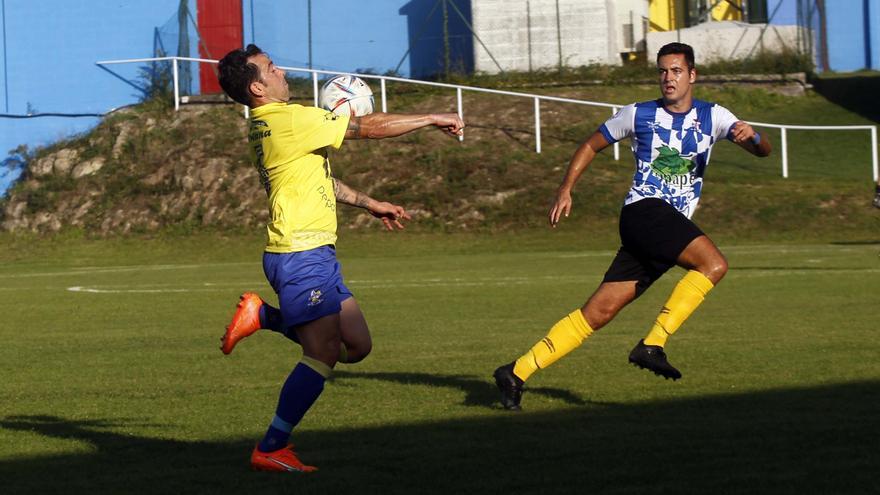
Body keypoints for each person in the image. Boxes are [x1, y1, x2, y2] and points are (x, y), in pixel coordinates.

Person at [216, 44, 464, 471]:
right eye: (272, 69)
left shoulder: (272, 124)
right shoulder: (289, 120)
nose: (281, 73)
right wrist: (430, 117)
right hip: (298, 254)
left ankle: (264, 317)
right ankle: (272, 447)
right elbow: (366, 126)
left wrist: (370, 203)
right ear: (257, 86)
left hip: (316, 254)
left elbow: (320, 181)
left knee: (357, 346)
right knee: (323, 354)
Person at [493, 42, 772, 411]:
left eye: (675, 71)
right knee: (713, 264)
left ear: (692, 75)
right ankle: (653, 344)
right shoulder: (637, 114)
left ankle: (516, 371)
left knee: (599, 312)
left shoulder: (714, 115)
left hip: (666, 226)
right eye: (662, 71)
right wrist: (566, 188)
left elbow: (763, 150)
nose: (667, 78)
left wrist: (751, 137)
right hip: (644, 211)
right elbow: (591, 145)